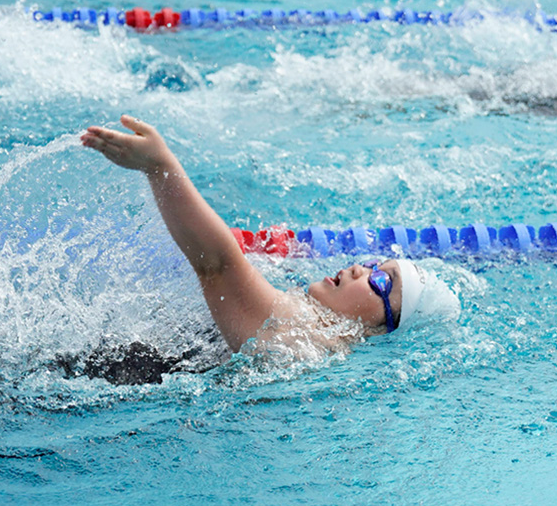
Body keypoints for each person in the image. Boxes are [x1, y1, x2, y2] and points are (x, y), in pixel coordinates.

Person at [79, 115, 460, 372]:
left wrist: (161, 167)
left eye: (382, 283)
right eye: (375, 265)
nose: (362, 269)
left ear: (379, 331)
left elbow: (216, 263)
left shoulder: (299, 332)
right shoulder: (317, 345)